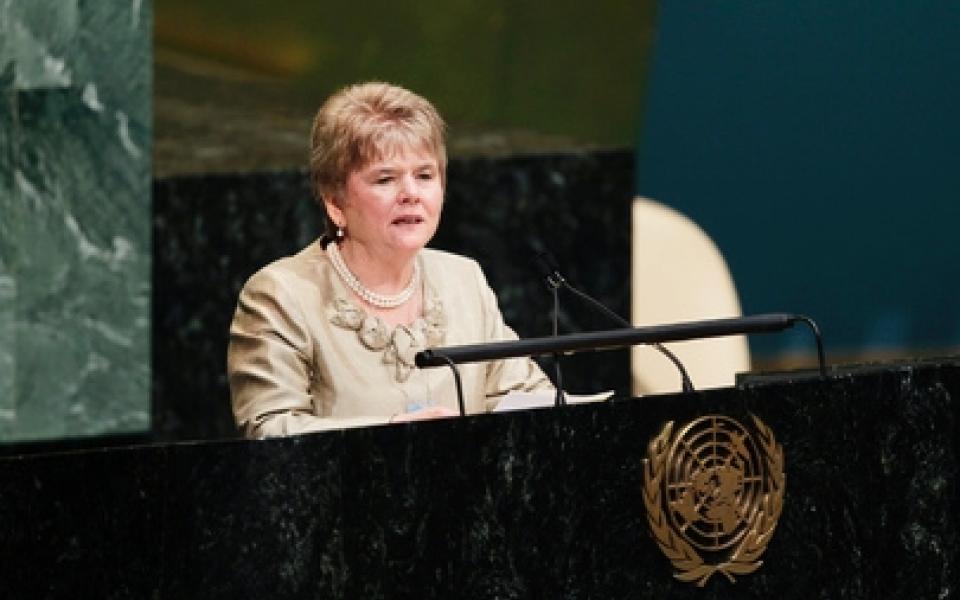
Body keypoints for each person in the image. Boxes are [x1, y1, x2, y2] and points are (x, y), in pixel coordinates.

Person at [227, 81, 552, 438]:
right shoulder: (282, 294)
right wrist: (393, 435)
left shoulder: (463, 278)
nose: (411, 194)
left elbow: (525, 395)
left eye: (425, 175)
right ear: (335, 202)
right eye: (385, 179)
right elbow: (270, 429)